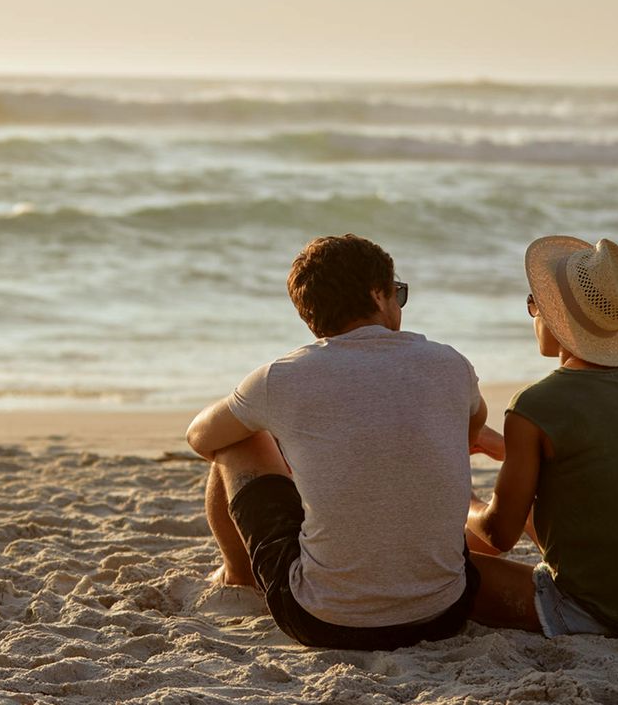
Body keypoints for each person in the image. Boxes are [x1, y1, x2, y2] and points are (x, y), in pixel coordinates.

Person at [186, 234, 531, 650]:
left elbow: (200, 437)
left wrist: (285, 440)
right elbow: (471, 428)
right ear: (377, 294)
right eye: (397, 294)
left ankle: (237, 577)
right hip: (446, 613)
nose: (399, 306)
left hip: (324, 620)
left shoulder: (282, 377)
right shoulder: (450, 364)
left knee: (240, 438)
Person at [466, 236, 618, 637]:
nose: (533, 313)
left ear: (556, 316)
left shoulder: (535, 405)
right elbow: (612, 471)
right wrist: (494, 445)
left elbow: (497, 533)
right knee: (532, 504)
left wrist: (461, 497)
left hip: (601, 611)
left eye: (534, 303)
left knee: (447, 575)